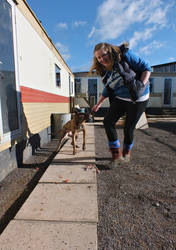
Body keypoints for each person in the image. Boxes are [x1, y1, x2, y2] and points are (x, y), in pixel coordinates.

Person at [89, 42, 152, 168]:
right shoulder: (104, 71)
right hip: (121, 98)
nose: (102, 59)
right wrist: (98, 104)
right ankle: (116, 156)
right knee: (108, 122)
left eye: (104, 55)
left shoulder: (125, 55)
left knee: (128, 128)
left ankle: (126, 153)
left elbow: (147, 68)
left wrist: (141, 85)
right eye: (99, 58)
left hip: (138, 98)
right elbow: (108, 89)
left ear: (110, 51)